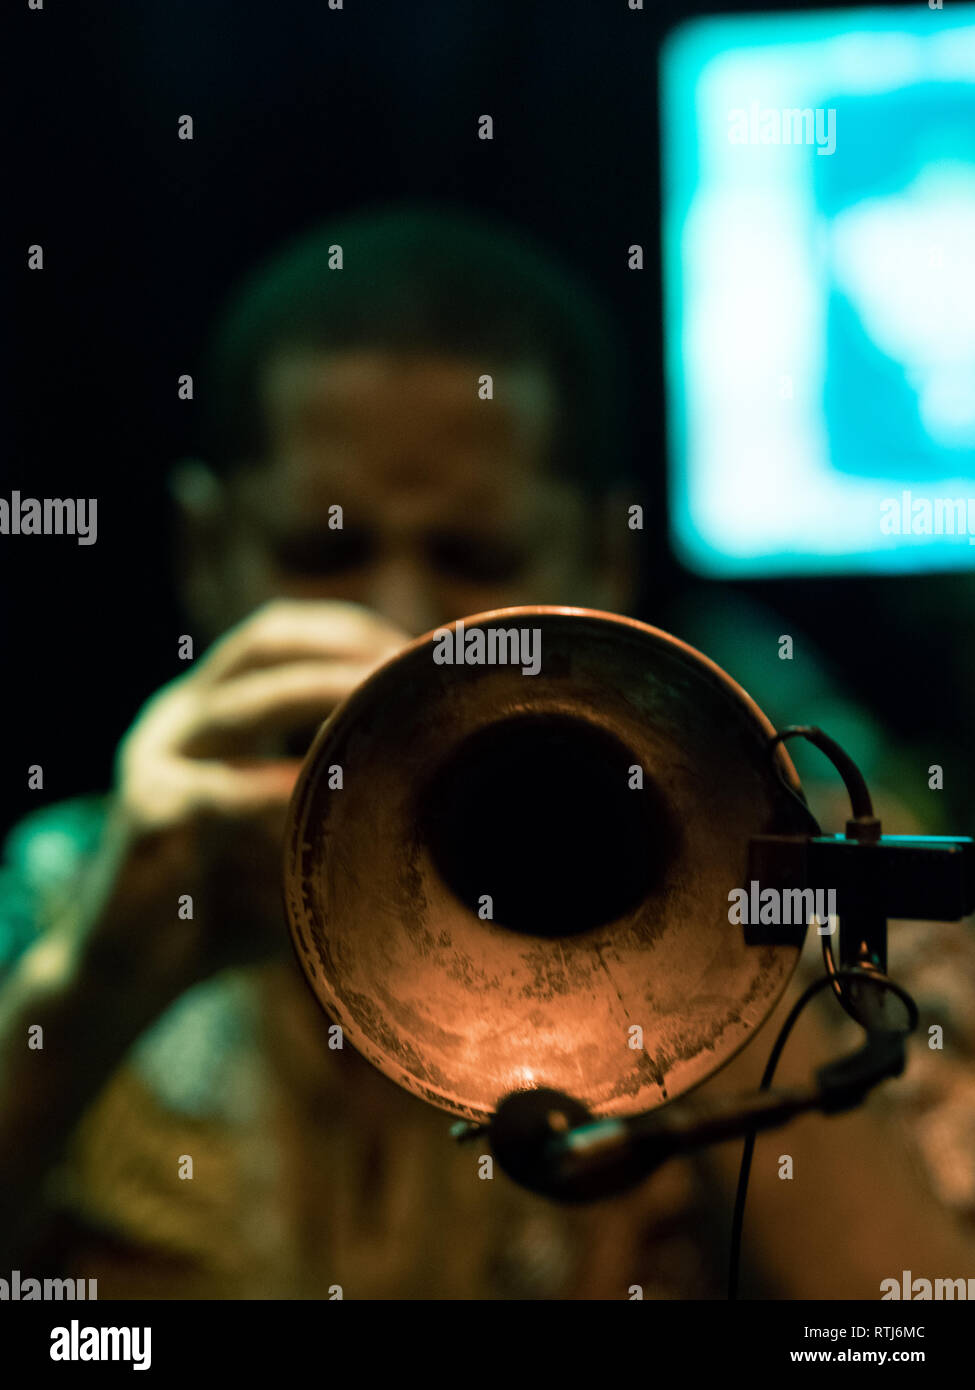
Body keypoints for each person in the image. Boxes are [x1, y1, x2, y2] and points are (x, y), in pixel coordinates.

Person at [2, 204, 973, 1299]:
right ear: (204, 550)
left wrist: (715, 957)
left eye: (476, 555)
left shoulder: (807, 873)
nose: (404, 619)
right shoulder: (64, 886)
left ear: (606, 559)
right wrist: (84, 992)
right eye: (324, 550)